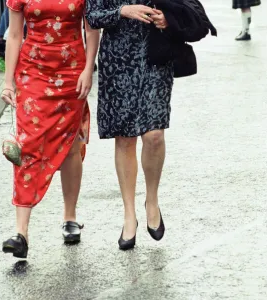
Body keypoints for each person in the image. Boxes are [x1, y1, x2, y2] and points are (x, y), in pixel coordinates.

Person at [1, 0, 99, 258]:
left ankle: (70, 217)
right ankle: (21, 233)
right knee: (28, 144)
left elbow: (91, 29)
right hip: (32, 74)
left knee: (69, 146)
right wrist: (8, 82)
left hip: (72, 74)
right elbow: (13, 35)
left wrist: (89, 69)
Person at [86, 1, 172, 250]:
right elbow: (92, 16)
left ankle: (152, 200)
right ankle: (129, 213)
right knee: (124, 137)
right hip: (117, 59)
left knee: (154, 134)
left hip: (155, 55)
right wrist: (122, 11)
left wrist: (169, 17)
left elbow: (184, 4)